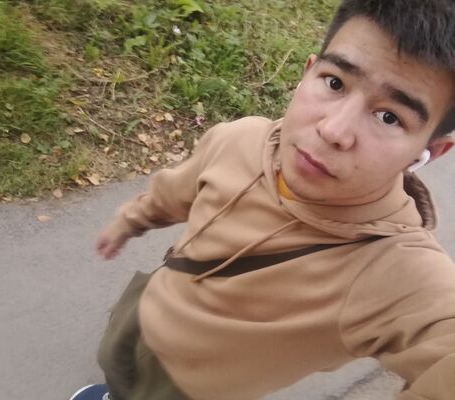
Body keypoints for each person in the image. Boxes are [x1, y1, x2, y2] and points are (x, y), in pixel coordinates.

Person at [70, 1, 455, 399]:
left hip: (192, 390)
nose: (334, 130)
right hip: (147, 308)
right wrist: (131, 220)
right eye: (335, 82)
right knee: (115, 367)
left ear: (429, 151)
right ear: (308, 72)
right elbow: (176, 190)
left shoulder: (393, 270)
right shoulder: (240, 138)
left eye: (390, 117)